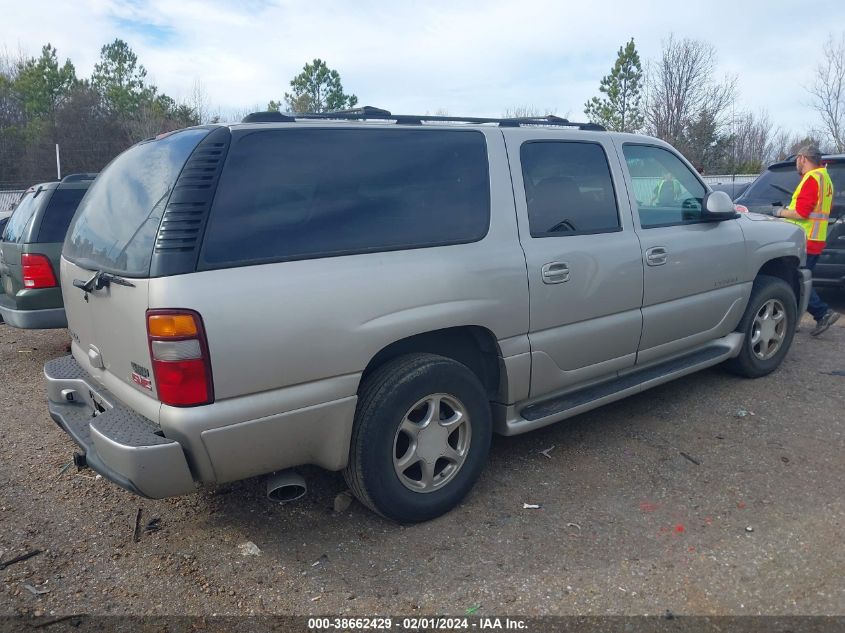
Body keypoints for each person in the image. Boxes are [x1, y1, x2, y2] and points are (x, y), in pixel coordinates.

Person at [772, 145, 840, 336]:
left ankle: (822, 313)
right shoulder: (825, 178)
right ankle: (794, 320)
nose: (796, 163)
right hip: (816, 238)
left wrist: (779, 212)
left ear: (802, 158)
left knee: (796, 281)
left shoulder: (811, 179)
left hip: (804, 239)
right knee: (798, 280)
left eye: (797, 160)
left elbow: (802, 213)